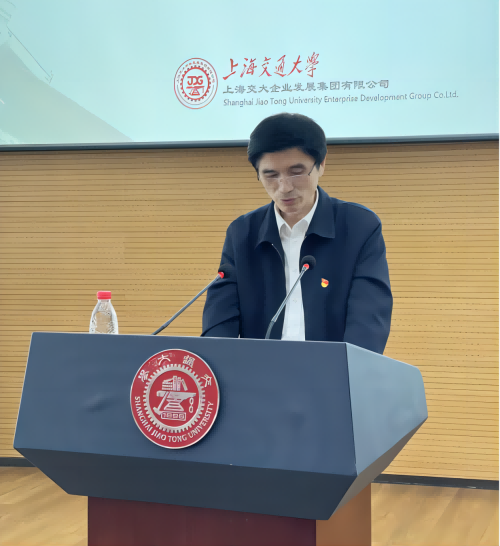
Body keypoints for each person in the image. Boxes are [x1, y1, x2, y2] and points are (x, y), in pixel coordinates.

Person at [202, 113, 392, 354]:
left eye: (296, 172)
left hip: (332, 371)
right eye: (271, 175)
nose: (284, 187)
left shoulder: (358, 227)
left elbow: (368, 323)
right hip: (258, 371)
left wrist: (346, 371)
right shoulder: (242, 233)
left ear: (321, 164)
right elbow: (219, 322)